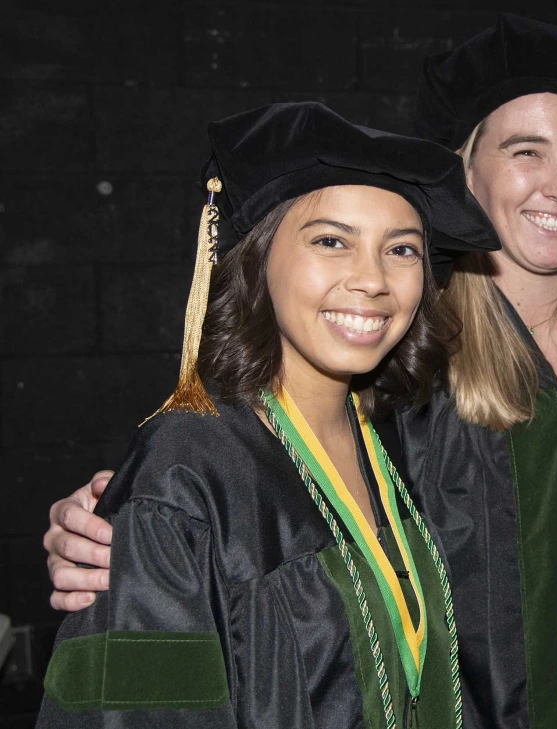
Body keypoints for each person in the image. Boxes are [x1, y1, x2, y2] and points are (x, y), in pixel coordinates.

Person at [43, 16, 557, 729]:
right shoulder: (411, 363)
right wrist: (134, 531)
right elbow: (246, 484)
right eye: (525, 150)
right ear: (464, 169)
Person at [36, 101, 499, 728]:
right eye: (331, 241)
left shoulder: (402, 439)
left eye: (403, 250)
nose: (372, 280)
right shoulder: (187, 468)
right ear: (259, 259)